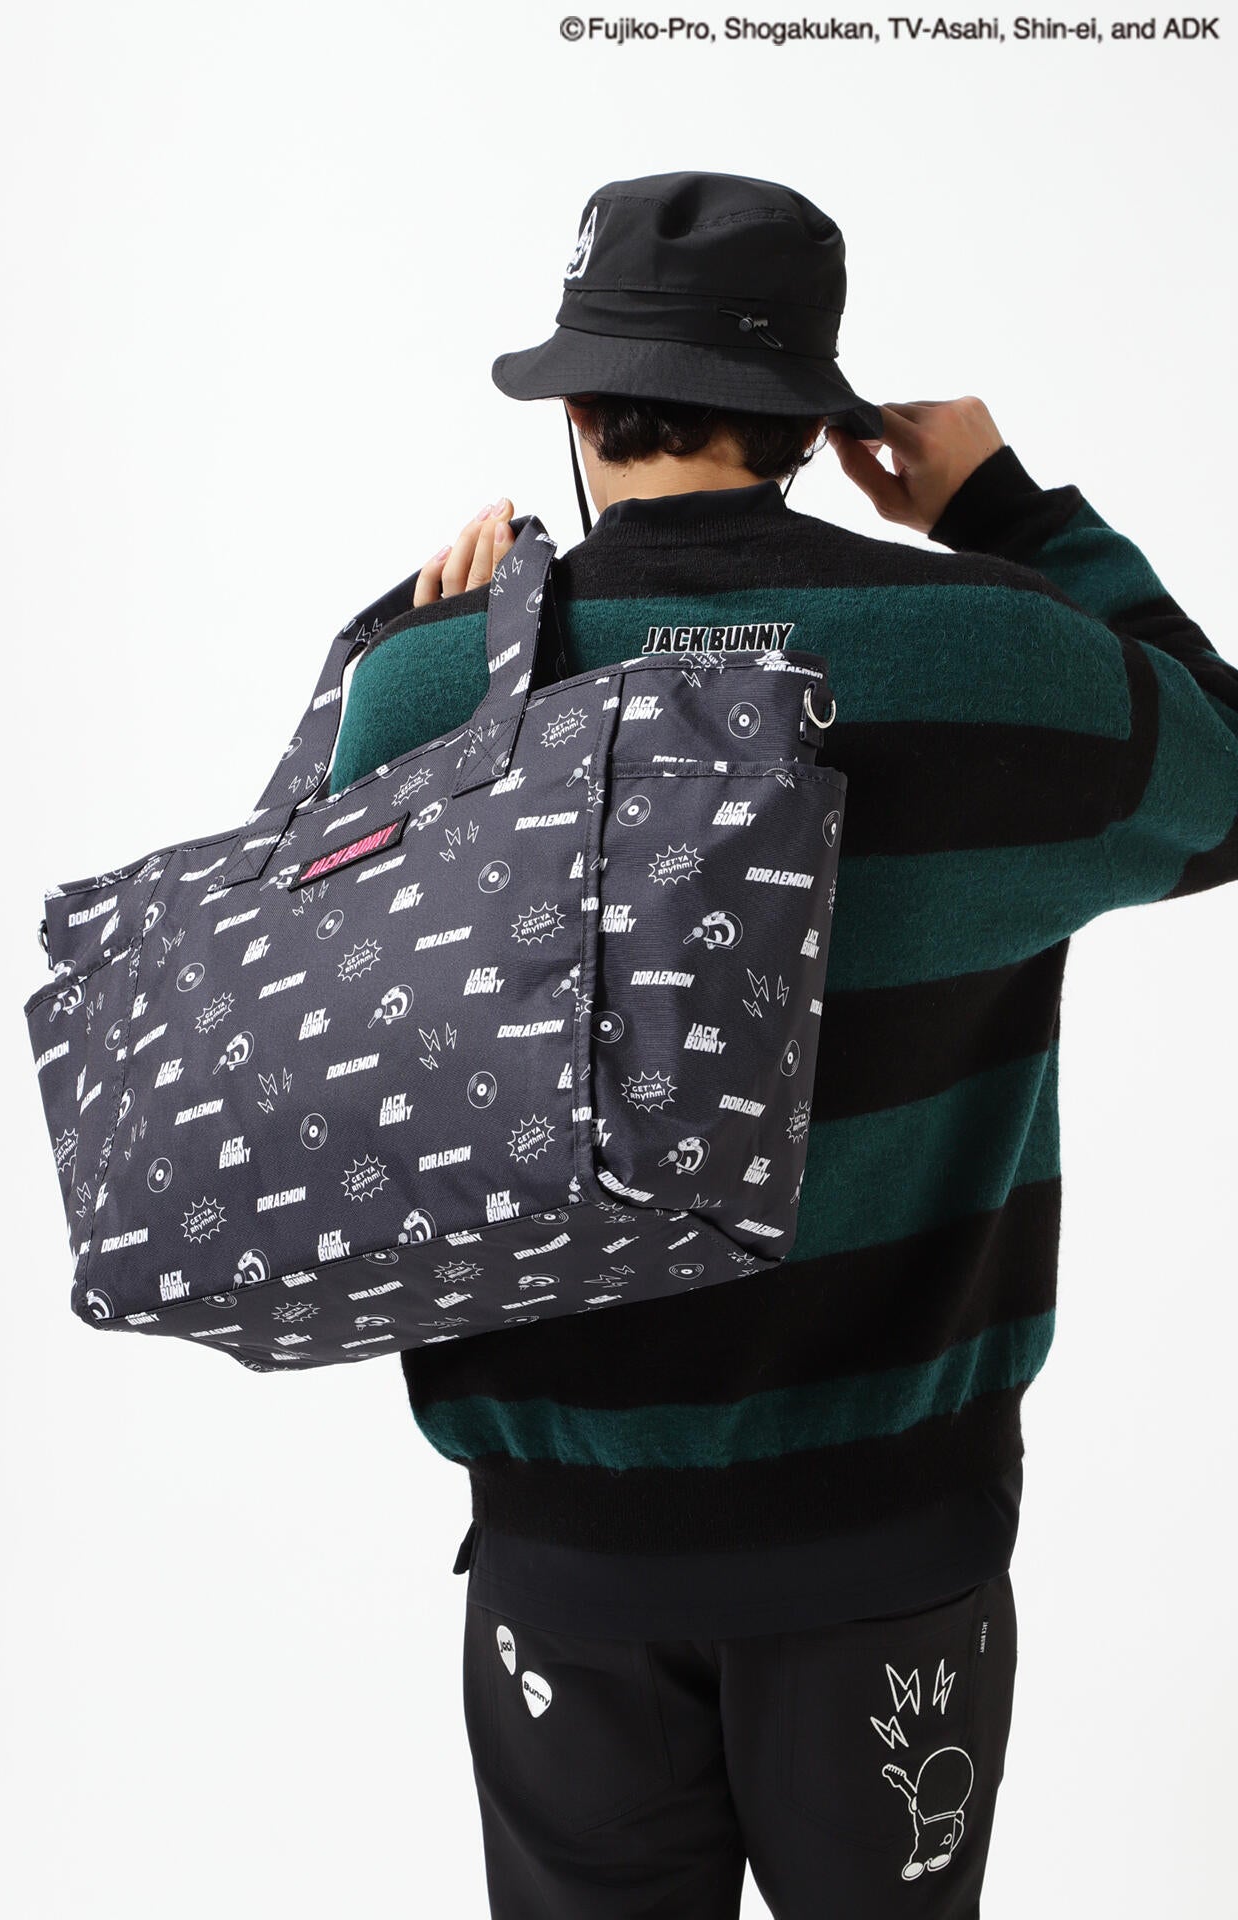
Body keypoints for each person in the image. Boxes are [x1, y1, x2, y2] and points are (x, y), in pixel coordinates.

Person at [328, 172, 1238, 1916]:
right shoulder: (1007, 658)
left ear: (578, 412)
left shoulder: (436, 692)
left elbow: (295, 1004)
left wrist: (396, 640)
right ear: (815, 428)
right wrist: (1011, 513)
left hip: (563, 1555)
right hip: (893, 1543)